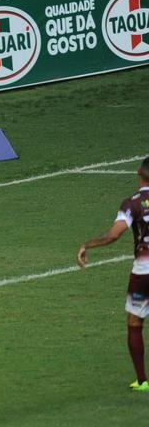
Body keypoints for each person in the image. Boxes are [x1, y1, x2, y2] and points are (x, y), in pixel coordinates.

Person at [76, 156, 149, 391]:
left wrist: (87, 245)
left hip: (144, 272)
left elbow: (113, 235)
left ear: (139, 174)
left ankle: (142, 381)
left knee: (135, 321)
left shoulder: (132, 203)